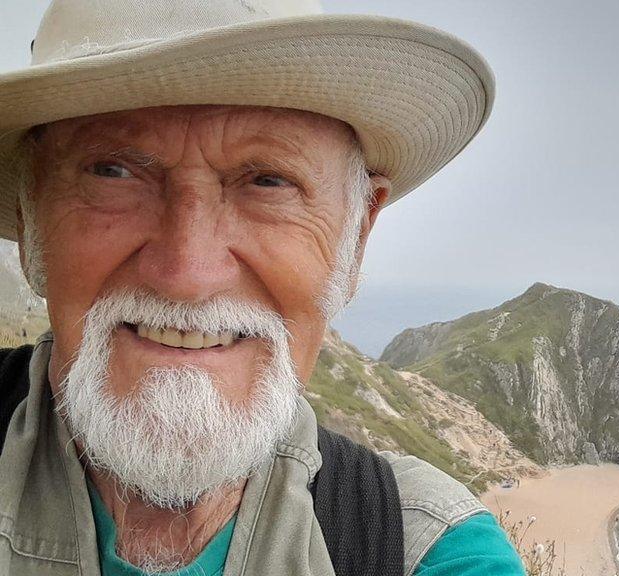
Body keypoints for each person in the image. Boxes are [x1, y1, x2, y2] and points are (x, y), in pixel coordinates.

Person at [0, 1, 524, 575]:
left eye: (268, 181)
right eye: (113, 171)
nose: (187, 275)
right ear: (31, 222)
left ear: (357, 236)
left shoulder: (428, 550)